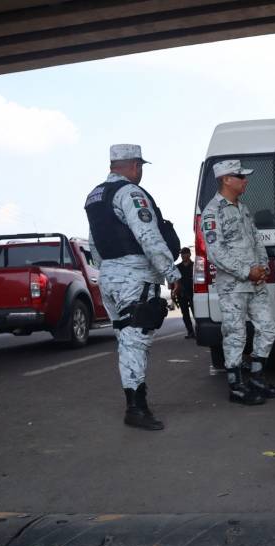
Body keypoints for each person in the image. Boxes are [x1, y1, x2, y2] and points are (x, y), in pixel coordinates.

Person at [84, 144, 180, 431]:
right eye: (140, 167)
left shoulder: (95, 196)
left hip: (110, 275)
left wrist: (107, 271)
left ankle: (135, 403)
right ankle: (136, 408)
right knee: (135, 341)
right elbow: (148, 235)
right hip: (134, 275)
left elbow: (94, 243)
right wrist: (170, 272)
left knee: (126, 341)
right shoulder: (131, 193)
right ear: (135, 165)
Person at [201, 159, 275, 405]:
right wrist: (247, 271)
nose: (245, 180)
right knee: (235, 334)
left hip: (255, 283)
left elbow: (256, 240)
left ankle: (257, 377)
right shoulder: (212, 212)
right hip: (233, 285)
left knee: (268, 328)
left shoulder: (243, 207)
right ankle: (236, 386)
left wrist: (263, 267)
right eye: (241, 176)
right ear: (227, 179)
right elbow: (216, 252)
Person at [175, 247, 196, 339]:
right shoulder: (177, 267)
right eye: (182, 254)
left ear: (189, 254)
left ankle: (199, 331)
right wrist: (174, 291)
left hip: (193, 292)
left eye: (185, 253)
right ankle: (190, 332)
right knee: (185, 314)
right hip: (181, 293)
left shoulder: (194, 265)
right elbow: (175, 280)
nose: (183, 255)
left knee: (196, 313)